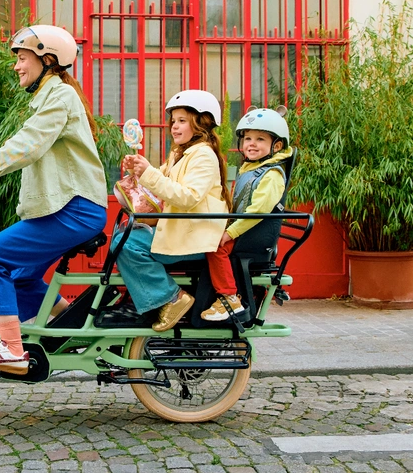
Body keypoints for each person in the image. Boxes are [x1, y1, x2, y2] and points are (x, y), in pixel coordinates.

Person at [0, 25, 108, 375]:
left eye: (22, 58)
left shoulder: (60, 97)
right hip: (69, 208)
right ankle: (72, 326)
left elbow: (26, 146)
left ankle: (10, 349)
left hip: (74, 209)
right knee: (20, 277)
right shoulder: (51, 98)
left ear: (48, 60)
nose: (17, 66)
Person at [115, 90, 231, 332]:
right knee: (121, 237)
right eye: (173, 121)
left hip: (195, 236)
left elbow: (188, 196)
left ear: (201, 123)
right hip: (181, 229)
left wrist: (148, 172)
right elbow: (162, 185)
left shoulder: (203, 155)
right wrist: (139, 170)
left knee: (126, 244)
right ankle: (145, 299)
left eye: (182, 121)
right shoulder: (181, 154)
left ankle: (172, 298)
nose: (174, 127)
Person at [202, 107, 292, 321]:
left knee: (216, 247)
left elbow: (257, 211)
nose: (251, 143)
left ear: (276, 146)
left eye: (260, 139)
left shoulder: (272, 174)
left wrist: (230, 233)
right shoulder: (249, 168)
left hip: (253, 235)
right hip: (244, 230)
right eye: (248, 138)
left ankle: (229, 298)